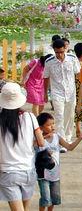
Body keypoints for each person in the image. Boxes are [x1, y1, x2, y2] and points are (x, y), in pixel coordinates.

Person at [0, 82, 46, 211]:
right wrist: (26, 143)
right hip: (28, 170)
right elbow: (41, 142)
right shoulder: (30, 117)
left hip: (7, 172)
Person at [36, 112, 82, 211]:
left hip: (55, 173)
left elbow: (70, 147)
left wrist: (79, 138)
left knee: (54, 198)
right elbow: (31, 146)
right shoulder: (38, 139)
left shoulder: (57, 137)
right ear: (41, 127)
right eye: (49, 125)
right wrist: (43, 137)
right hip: (42, 173)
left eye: (53, 124)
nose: (52, 127)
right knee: (46, 198)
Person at [43, 39, 81, 143]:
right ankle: (61, 140)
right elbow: (45, 78)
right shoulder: (49, 62)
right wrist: (45, 93)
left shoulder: (72, 59)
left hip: (71, 92)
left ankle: (68, 137)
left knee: (69, 115)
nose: (59, 55)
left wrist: (81, 91)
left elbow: (79, 74)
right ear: (54, 50)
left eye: (61, 52)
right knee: (59, 116)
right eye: (57, 52)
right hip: (57, 92)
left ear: (65, 49)